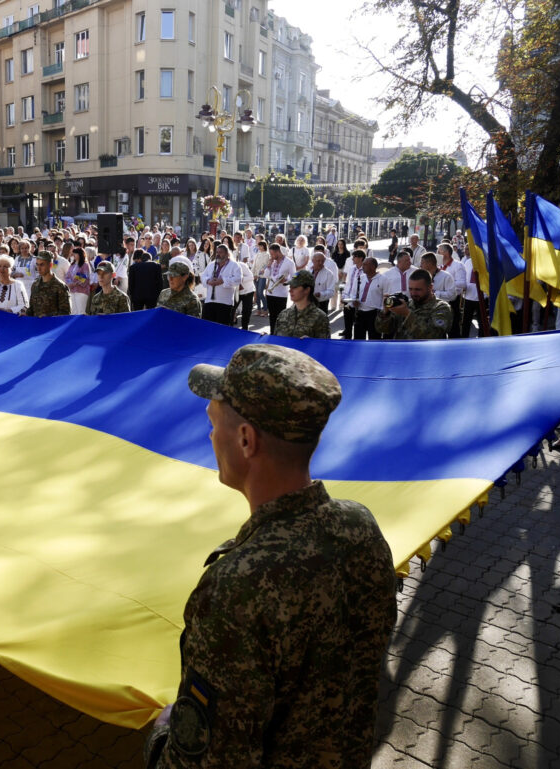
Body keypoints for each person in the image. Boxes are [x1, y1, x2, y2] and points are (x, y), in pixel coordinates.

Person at [144, 344, 396, 768]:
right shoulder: (361, 528)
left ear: (246, 440)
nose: (209, 436)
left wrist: (164, 735)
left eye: (213, 422)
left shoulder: (237, 589)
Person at [376, 268, 453, 339]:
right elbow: (383, 329)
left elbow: (433, 335)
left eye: (418, 289)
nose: (413, 293)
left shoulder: (441, 307)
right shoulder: (406, 305)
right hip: (402, 351)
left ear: (430, 287)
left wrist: (407, 314)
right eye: (410, 289)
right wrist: (385, 313)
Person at [273, 271, 331, 339]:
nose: (290, 290)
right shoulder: (283, 314)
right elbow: (275, 343)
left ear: (307, 290)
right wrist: (265, 339)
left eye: (294, 287)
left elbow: (324, 347)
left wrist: (311, 343)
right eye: (290, 287)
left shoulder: (320, 318)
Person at [200, 243, 242, 326]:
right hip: (209, 301)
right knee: (207, 326)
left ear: (227, 254)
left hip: (224, 302)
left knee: (222, 327)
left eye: (221, 252)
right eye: (217, 252)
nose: (218, 254)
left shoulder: (234, 265)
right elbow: (203, 275)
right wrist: (208, 281)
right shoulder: (211, 264)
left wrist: (222, 281)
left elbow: (238, 279)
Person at [27, 250, 71, 317]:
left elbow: (65, 312)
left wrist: (48, 317)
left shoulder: (60, 286)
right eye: (37, 264)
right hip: (36, 325)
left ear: (50, 265)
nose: (38, 268)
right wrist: (25, 313)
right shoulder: (35, 285)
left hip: (53, 326)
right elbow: (32, 309)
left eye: (42, 265)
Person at [263, 243, 296, 334]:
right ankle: (272, 334)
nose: (272, 256)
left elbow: (294, 277)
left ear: (278, 252)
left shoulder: (289, 262)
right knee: (272, 316)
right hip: (270, 293)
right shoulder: (272, 262)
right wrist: (268, 265)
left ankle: (280, 335)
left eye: (273, 254)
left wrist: (286, 281)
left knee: (281, 317)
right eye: (271, 254)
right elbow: (266, 275)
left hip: (281, 294)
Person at [352, 256, 384, 340]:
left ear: (373, 267)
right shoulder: (360, 278)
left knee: (374, 339)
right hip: (360, 313)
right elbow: (353, 293)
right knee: (358, 339)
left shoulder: (383, 279)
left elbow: (386, 297)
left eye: (365, 265)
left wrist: (382, 313)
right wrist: (353, 301)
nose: (363, 267)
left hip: (374, 314)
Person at [127, 247, 163, 311]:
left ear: (141, 259)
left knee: (137, 316)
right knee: (151, 316)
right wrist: (157, 295)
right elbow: (160, 283)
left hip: (137, 296)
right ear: (150, 258)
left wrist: (132, 296)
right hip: (152, 296)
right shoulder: (156, 266)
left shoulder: (133, 267)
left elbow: (131, 284)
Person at [65, 247, 93, 315]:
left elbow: (86, 278)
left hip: (81, 291)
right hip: (72, 290)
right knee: (73, 311)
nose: (74, 255)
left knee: (80, 311)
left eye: (75, 253)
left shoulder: (85, 265)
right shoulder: (72, 265)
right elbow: (67, 276)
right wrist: (69, 284)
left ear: (80, 254)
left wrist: (75, 283)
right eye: (73, 253)